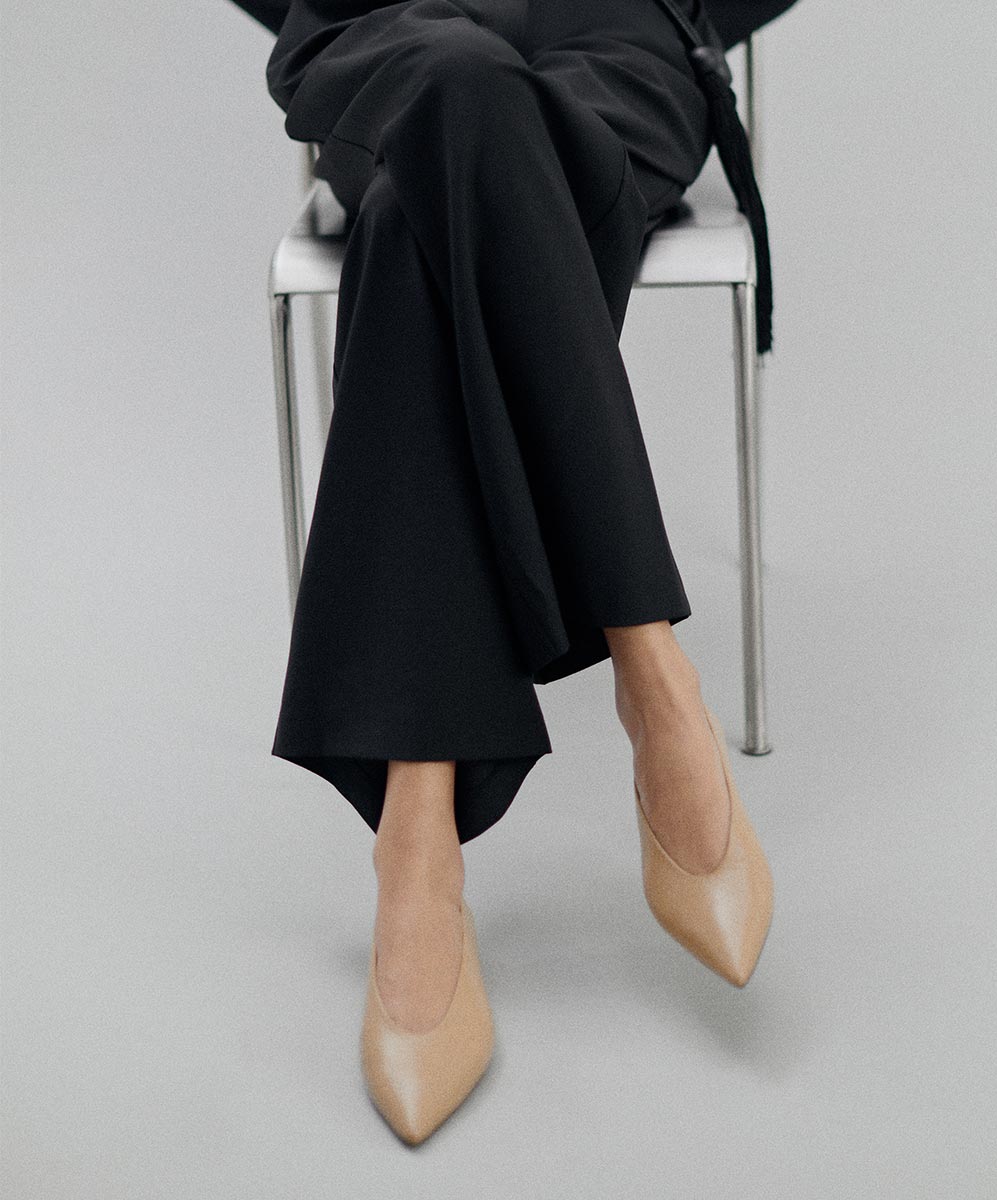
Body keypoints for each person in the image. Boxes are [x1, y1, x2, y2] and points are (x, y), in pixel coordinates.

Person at [237, 0, 796, 1145]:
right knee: (452, 78)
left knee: (417, 214)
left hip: (622, 36)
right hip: (386, 20)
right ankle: (651, 663)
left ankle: (420, 823)